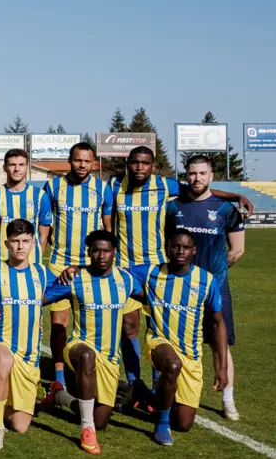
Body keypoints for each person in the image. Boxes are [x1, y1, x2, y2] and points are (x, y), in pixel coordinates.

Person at [102, 146, 251, 399]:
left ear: (153, 165)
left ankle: (159, 386)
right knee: (128, 326)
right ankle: (134, 382)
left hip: (158, 268)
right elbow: (108, 222)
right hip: (127, 267)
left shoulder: (164, 185)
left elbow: (200, 191)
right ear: (128, 163)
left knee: (161, 328)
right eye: (135, 162)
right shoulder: (114, 186)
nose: (139, 167)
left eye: (145, 163)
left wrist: (233, 196)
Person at [43, 230, 144, 455]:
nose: (101, 255)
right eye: (96, 250)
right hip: (79, 347)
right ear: (88, 253)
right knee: (87, 356)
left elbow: (152, 295)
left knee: (101, 420)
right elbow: (42, 296)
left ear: (114, 253)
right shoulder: (75, 278)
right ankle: (87, 430)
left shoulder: (126, 280)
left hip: (110, 358)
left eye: (106, 250)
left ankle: (60, 396)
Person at [0, 220, 66, 450]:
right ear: (6, 243)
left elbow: (65, 287)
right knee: (3, 361)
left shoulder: (42, 274)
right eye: (15, 241)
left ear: (33, 243)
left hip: (29, 355)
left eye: (25, 241)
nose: (20, 246)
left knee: (20, 424)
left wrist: (73, 271)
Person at [167, 155, 246, 420]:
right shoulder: (173, 207)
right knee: (181, 345)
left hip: (215, 287)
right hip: (179, 288)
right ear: (186, 175)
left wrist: (213, 278)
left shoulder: (226, 209)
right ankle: (179, 396)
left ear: (211, 176)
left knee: (219, 344)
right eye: (192, 173)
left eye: (202, 173)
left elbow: (237, 250)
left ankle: (228, 400)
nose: (197, 178)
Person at [137, 228, 230, 445]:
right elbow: (113, 273)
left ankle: (142, 391)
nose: (180, 251)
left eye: (185, 247)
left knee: (184, 424)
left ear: (194, 251)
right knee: (172, 365)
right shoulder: (151, 273)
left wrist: (222, 367)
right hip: (159, 341)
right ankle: (161, 423)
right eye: (175, 246)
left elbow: (218, 323)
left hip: (191, 354)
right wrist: (78, 269)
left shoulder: (206, 281)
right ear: (167, 248)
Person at [42, 142, 110, 391]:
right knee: (59, 323)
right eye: (78, 160)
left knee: (91, 322)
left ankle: (89, 370)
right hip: (59, 263)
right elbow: (45, 226)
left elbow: (108, 227)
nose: (82, 165)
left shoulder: (102, 188)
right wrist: (40, 259)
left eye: (87, 161)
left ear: (94, 162)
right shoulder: (54, 186)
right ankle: (59, 378)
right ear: (70, 161)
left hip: (90, 267)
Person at [0, 148, 52, 265]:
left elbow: (43, 237)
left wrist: (35, 258)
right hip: (1, 264)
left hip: (32, 264)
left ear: (27, 168)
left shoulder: (40, 196)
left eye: (21, 165)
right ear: (4, 168)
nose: (17, 169)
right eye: (12, 165)